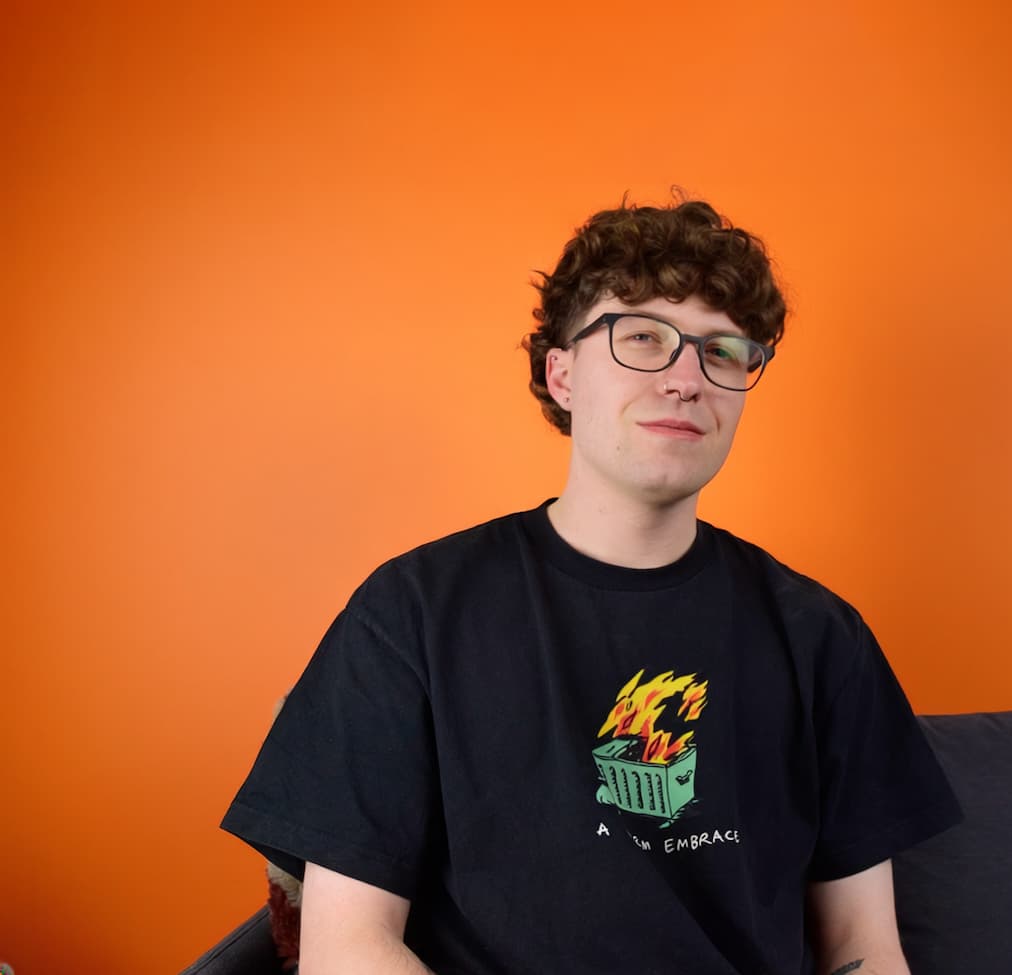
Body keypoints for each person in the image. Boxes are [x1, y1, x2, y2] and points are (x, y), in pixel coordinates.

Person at [222, 197, 961, 975]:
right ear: (563, 374)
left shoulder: (819, 635)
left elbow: (862, 951)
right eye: (644, 337)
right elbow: (349, 951)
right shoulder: (412, 613)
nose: (687, 379)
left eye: (723, 350)